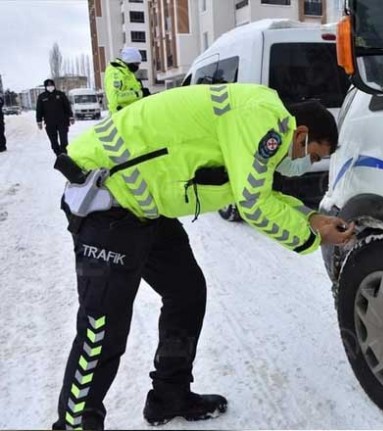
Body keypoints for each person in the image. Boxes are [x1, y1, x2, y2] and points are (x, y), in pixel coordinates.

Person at [51, 83, 355, 430]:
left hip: (144, 206)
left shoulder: (261, 121)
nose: (307, 164)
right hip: (106, 197)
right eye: (313, 155)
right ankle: (76, 425)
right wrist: (313, 236)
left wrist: (313, 218)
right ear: (301, 133)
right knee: (102, 325)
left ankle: (169, 395)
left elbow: (262, 192)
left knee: (186, 292)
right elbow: (253, 204)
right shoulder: (265, 120)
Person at [104, 46, 150, 113]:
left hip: (131, 113)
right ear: (129, 61)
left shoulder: (128, 73)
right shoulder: (115, 73)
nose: (137, 67)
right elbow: (115, 97)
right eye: (136, 64)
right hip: (121, 115)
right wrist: (140, 93)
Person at [36, 79, 74, 155]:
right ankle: (58, 154)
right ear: (45, 87)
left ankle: (64, 154)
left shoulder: (60, 94)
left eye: (51, 85)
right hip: (50, 123)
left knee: (64, 141)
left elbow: (67, 106)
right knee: (54, 142)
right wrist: (39, 121)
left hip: (62, 121)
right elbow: (39, 110)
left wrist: (71, 116)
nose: (50, 87)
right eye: (48, 86)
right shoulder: (42, 97)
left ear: (54, 86)